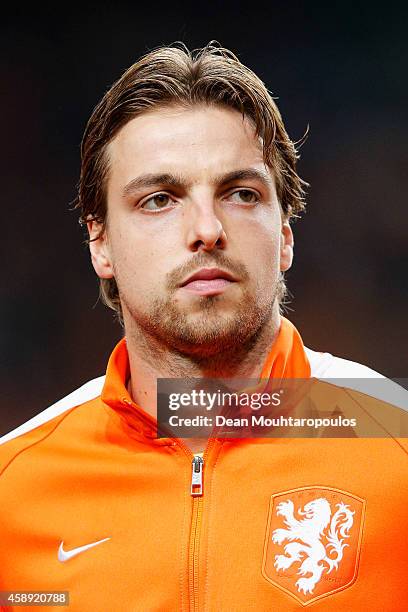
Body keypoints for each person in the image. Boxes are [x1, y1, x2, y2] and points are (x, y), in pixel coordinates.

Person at [0, 43, 407, 611]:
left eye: (241, 194)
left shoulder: (397, 447)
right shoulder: (12, 490)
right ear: (100, 242)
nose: (207, 229)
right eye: (159, 200)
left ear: (285, 233)